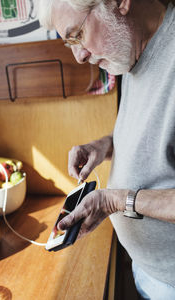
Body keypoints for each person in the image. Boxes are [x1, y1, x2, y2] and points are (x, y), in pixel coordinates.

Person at [39, 1, 175, 299]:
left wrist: (116, 201)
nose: (79, 56)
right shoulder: (131, 50)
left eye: (78, 34)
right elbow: (157, 134)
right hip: (148, 270)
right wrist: (106, 145)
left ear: (119, 3)